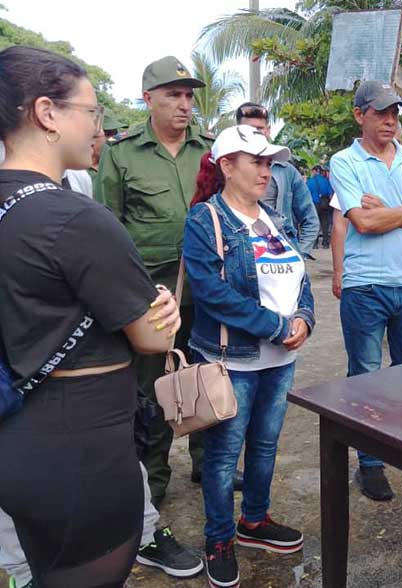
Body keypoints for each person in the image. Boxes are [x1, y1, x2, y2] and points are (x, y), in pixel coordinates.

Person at [0, 45, 181, 587]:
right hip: (81, 446)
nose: (98, 127)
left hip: (19, 436)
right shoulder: (76, 218)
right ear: (46, 113)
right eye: (91, 111)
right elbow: (152, 337)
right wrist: (165, 309)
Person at [184, 125, 316, 588]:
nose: (266, 171)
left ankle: (254, 520)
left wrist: (304, 318)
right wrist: (276, 327)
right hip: (231, 361)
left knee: (265, 445)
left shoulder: (274, 218)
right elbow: (211, 293)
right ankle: (219, 539)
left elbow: (300, 277)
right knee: (223, 456)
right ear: (226, 165)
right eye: (256, 162)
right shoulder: (206, 219)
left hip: (279, 361)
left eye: (269, 163)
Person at [95, 55, 214, 504]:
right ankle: (154, 480)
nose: (184, 104)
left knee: (207, 376)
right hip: (150, 294)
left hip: (208, 289)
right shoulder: (122, 152)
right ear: (148, 99)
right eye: (173, 95)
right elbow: (107, 229)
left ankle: (207, 464)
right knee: (152, 390)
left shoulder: (209, 150)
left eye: (189, 96)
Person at [330, 80, 402, 501]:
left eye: (395, 113)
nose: (390, 121)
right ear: (359, 115)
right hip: (364, 285)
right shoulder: (344, 161)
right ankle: (370, 464)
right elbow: (363, 223)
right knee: (366, 376)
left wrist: (390, 211)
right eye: (381, 113)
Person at [236, 101, 319, 255]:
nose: (255, 134)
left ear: (268, 130)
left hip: (281, 256)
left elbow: (310, 219)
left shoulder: (287, 172)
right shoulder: (227, 169)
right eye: (249, 129)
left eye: (259, 129)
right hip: (241, 254)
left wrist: (299, 254)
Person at [306, 164, 334, 248]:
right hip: (324, 204)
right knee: (325, 223)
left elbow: (306, 194)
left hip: (314, 204)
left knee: (315, 223)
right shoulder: (326, 181)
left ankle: (315, 244)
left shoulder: (310, 181)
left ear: (314, 171)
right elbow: (330, 194)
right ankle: (325, 243)